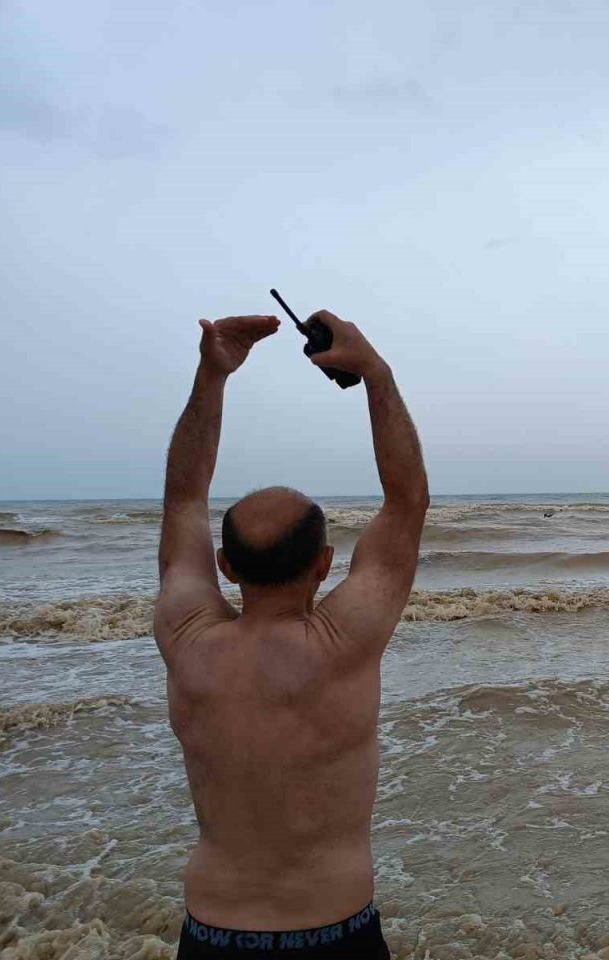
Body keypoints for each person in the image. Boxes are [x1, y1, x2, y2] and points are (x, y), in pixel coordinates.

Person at [153, 310, 428, 958]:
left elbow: (183, 500)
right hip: (336, 929)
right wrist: (376, 375)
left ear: (223, 568)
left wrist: (212, 374)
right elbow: (406, 502)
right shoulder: (345, 642)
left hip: (213, 934)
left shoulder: (187, 638)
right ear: (326, 565)